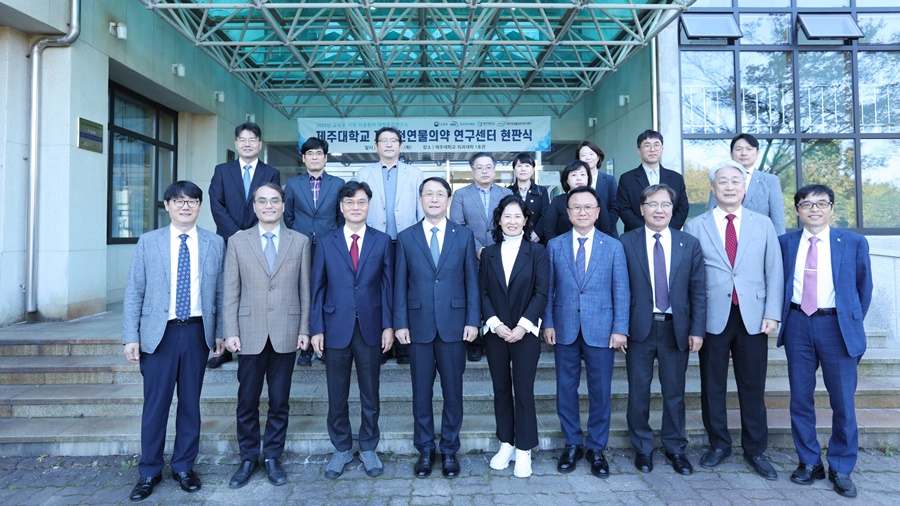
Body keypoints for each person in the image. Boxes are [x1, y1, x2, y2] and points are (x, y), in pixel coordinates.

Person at [122, 181, 225, 502]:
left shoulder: (214, 243)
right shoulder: (149, 242)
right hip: (158, 334)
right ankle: (149, 471)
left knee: (190, 404)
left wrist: (219, 333)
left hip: (196, 332)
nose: (185, 207)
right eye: (178, 201)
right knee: (155, 406)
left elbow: (220, 293)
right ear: (166, 205)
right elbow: (134, 290)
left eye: (192, 202)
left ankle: (183, 466)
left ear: (199, 206)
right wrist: (130, 337)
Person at [683, 160, 783, 480]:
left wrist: (772, 312)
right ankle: (719, 444)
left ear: (744, 188)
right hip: (713, 316)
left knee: (752, 386)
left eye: (735, 182)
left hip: (753, 316)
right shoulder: (695, 226)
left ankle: (755, 449)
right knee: (712, 385)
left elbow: (774, 271)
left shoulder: (763, 223)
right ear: (712, 188)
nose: (729, 187)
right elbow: (690, 278)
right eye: (722, 182)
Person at [778, 184, 872, 498]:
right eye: (807, 204)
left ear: (831, 207)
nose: (814, 209)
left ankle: (841, 467)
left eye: (821, 204)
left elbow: (863, 288)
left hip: (837, 326)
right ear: (797, 210)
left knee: (843, 401)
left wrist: (849, 320)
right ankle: (808, 462)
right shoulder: (785, 243)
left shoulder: (854, 242)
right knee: (800, 398)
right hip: (797, 325)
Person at [223, 183, 312, 489]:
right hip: (248, 333)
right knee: (246, 400)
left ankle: (273, 455)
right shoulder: (238, 241)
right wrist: (229, 332)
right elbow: (230, 291)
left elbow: (305, 290)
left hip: (287, 332)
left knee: (279, 400)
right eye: (263, 201)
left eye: (275, 200)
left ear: (284, 205)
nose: (269, 205)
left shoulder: (299, 241)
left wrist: (304, 329)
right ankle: (248, 457)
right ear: (255, 206)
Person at [394, 177, 480, 480]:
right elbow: (399, 285)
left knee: (453, 392)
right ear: (420, 199)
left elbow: (472, 281)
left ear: (447, 199)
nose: (433, 199)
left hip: (455, 326)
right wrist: (400, 323)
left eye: (439, 194)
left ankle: (449, 450)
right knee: (421, 393)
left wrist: (473, 320)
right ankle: (426, 450)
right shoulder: (406, 237)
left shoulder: (464, 235)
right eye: (428, 194)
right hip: (417, 327)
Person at [542, 186, 629, 479]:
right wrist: (548, 323)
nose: (582, 212)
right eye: (576, 207)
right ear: (568, 213)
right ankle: (572, 444)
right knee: (565, 390)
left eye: (587, 207)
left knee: (600, 391)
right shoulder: (554, 245)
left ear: (597, 212)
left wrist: (620, 329)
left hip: (602, 331)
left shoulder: (612, 246)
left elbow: (621, 290)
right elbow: (549, 289)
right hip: (564, 328)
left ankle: (595, 447)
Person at [309, 181, 394, 480]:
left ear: (369, 206)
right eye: (349, 202)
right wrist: (316, 327)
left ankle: (369, 446)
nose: (355, 207)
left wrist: (388, 326)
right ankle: (342, 447)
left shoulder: (382, 241)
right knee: (337, 394)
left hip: (371, 327)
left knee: (371, 393)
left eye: (361, 202)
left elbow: (387, 287)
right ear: (341, 206)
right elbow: (317, 287)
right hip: (334, 328)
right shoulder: (326, 241)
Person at [620, 184, 706, 476]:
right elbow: (619, 289)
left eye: (665, 204)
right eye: (652, 204)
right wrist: (619, 328)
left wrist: (698, 330)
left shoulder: (689, 243)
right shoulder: (626, 242)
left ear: (673, 209)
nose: (659, 210)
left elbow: (698, 290)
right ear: (642, 209)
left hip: (676, 330)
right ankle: (643, 448)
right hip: (639, 330)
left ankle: (675, 448)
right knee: (638, 393)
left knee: (674, 393)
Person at [480, 195, 549, 479]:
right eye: (506, 216)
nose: (512, 221)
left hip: (526, 332)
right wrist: (495, 323)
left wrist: (522, 325)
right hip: (496, 332)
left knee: (523, 390)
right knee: (500, 390)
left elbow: (542, 292)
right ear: (499, 220)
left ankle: (524, 449)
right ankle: (506, 443)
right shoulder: (489, 254)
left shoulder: (538, 252)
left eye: (517, 216)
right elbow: (482, 291)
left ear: (525, 220)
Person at [207, 122, 281, 369]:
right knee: (226, 292)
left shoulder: (270, 172)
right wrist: (238, 234)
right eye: (242, 139)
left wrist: (251, 234)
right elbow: (216, 205)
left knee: (255, 290)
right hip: (229, 241)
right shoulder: (222, 170)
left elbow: (268, 205)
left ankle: (255, 338)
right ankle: (223, 347)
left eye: (252, 139)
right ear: (236, 143)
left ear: (259, 144)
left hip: (260, 240)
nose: (247, 144)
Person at [356, 126, 423, 365]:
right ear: (376, 146)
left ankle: (404, 347)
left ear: (400, 146)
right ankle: (382, 347)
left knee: (405, 290)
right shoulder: (363, 173)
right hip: (373, 242)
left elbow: (420, 210)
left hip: (405, 242)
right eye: (383, 141)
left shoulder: (414, 174)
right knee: (377, 291)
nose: (388, 144)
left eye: (393, 140)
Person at [284, 136, 345, 366]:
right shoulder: (293, 184)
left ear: (326, 157)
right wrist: (304, 234)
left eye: (319, 153)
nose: (314, 157)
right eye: (310, 153)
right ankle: (305, 347)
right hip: (301, 247)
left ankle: (325, 344)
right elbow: (288, 216)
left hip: (330, 247)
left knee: (328, 293)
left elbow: (341, 217)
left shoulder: (338, 184)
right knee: (304, 293)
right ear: (303, 158)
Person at [449, 152, 512, 363]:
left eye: (488, 167)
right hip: (470, 255)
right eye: (479, 167)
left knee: (498, 295)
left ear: (494, 169)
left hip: (501, 254)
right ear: (472, 171)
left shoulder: (505, 193)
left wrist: (495, 249)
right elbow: (458, 226)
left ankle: (498, 338)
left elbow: (512, 222)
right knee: (473, 296)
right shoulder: (461, 195)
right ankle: (474, 344)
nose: (484, 171)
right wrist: (477, 249)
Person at [708, 133, 787, 235]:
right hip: (725, 239)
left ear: (757, 153)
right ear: (731, 154)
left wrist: (779, 248)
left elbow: (778, 220)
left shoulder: (770, 181)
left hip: (759, 241)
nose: (744, 153)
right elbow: (711, 214)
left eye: (749, 149)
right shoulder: (719, 178)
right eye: (738, 149)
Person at [618, 130, 689, 233]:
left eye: (656, 145)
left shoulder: (676, 178)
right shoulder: (627, 179)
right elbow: (624, 210)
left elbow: (682, 208)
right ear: (639, 150)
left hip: (669, 236)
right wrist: (646, 232)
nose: (652, 149)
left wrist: (667, 231)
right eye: (647, 146)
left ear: (662, 149)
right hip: (637, 236)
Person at [539, 160, 613, 242]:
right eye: (574, 175)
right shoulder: (557, 201)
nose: (579, 178)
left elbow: (606, 230)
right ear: (566, 180)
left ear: (588, 178)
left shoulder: (597, 200)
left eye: (582, 174)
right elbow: (549, 231)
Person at [578, 140, 619, 237]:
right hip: (581, 233)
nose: (588, 158)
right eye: (583, 155)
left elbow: (615, 208)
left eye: (591, 154)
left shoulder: (610, 180)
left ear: (598, 157)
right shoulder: (577, 181)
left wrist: (605, 228)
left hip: (607, 233)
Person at [507, 153, 550, 242]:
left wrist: (537, 234)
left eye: (527, 166)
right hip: (513, 238)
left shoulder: (541, 191)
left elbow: (545, 215)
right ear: (514, 170)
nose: (523, 169)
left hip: (537, 239)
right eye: (519, 166)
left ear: (533, 170)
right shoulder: (507, 191)